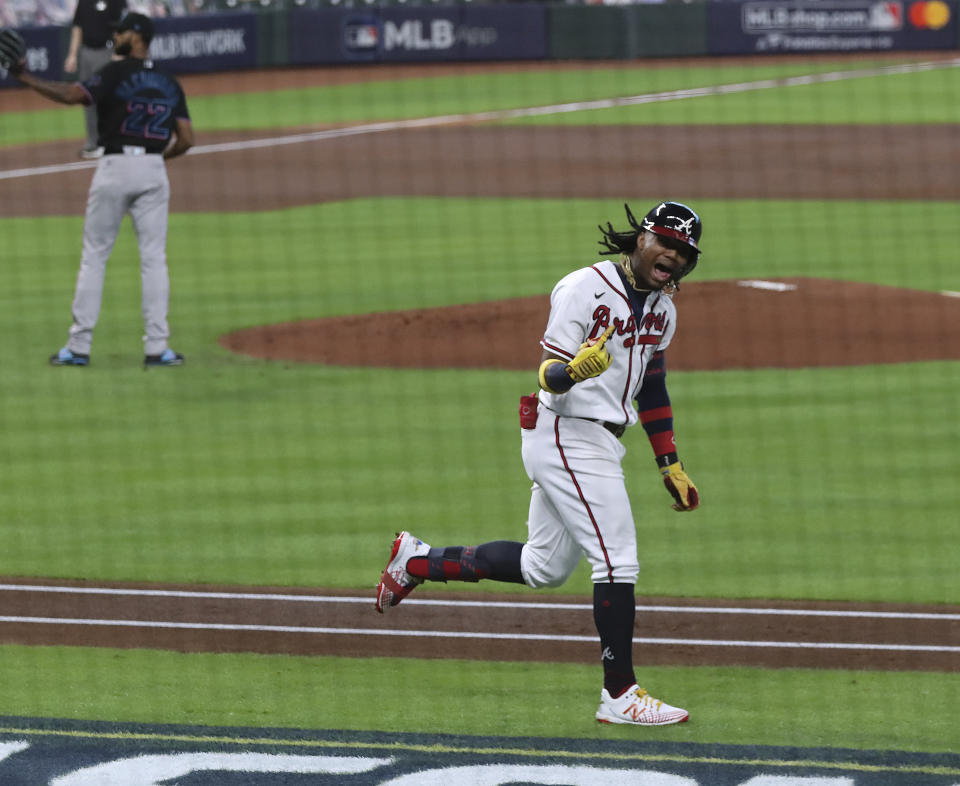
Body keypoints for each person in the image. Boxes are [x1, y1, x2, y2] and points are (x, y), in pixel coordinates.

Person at [375, 201, 703, 727]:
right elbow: (547, 374)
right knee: (617, 560)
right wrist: (572, 372)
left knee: (542, 568)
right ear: (641, 240)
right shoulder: (584, 288)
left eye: (685, 251)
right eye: (666, 241)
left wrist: (670, 462)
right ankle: (620, 694)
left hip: (599, 439)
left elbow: (654, 384)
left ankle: (414, 561)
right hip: (565, 432)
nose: (674, 255)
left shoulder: (663, 310)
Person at [8, 12, 193, 367]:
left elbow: (69, 94)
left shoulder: (113, 73)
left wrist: (25, 77)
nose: (116, 36)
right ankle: (157, 349)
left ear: (137, 36)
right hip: (154, 171)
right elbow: (187, 139)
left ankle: (78, 347)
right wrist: (156, 161)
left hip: (115, 168)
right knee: (154, 260)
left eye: (121, 31)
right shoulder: (170, 82)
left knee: (94, 256)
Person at [64, 0, 127, 158]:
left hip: (107, 52)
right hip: (86, 53)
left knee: (110, 99)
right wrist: (72, 55)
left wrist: (119, 52)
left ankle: (113, 140)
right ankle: (93, 143)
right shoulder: (84, 2)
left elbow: (122, 28)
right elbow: (77, 28)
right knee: (87, 98)